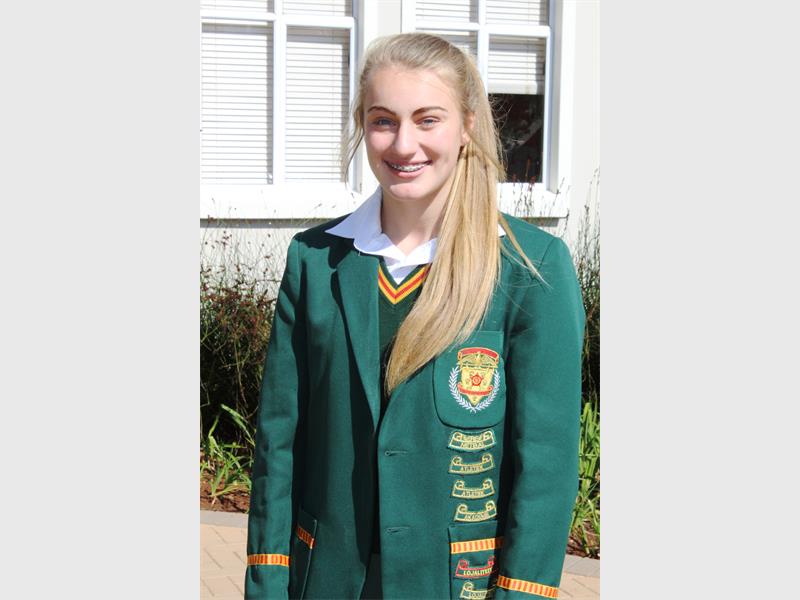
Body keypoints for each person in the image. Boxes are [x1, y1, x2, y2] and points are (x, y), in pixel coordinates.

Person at [244, 32, 585, 600]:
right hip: (326, 581)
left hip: (458, 587)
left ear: (467, 125)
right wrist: (267, 579)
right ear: (363, 125)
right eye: (383, 121)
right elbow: (278, 443)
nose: (404, 145)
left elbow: (546, 466)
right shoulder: (314, 260)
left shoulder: (532, 268)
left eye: (428, 120)